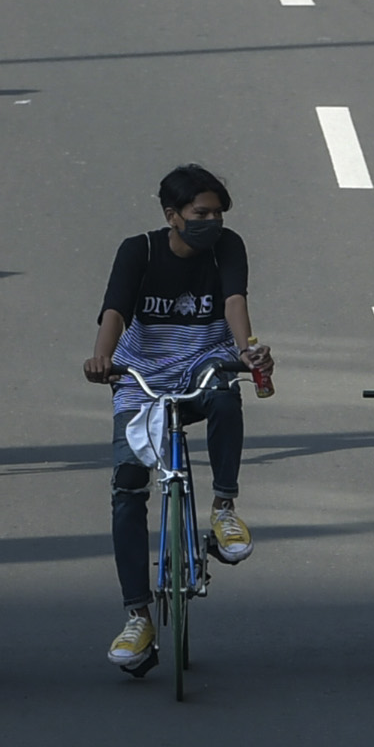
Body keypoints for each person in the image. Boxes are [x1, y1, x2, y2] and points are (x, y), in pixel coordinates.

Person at [88, 164, 274, 672]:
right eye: (200, 213)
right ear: (172, 216)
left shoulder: (226, 247)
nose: (211, 221)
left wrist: (246, 351)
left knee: (223, 396)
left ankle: (224, 507)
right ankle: (137, 617)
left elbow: (235, 300)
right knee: (128, 487)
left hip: (203, 361)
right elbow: (115, 311)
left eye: (216, 212)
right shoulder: (139, 251)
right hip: (142, 374)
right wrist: (102, 357)